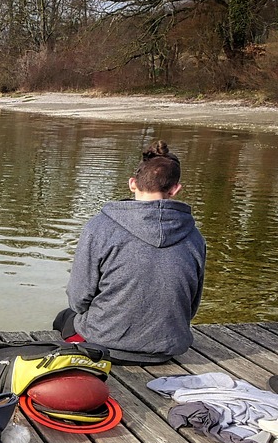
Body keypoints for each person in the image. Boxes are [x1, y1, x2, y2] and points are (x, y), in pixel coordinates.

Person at [53, 141, 206, 364]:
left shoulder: (99, 227)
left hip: (104, 345)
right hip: (166, 349)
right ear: (175, 189)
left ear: (132, 183)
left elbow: (79, 299)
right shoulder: (195, 237)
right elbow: (192, 305)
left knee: (64, 318)